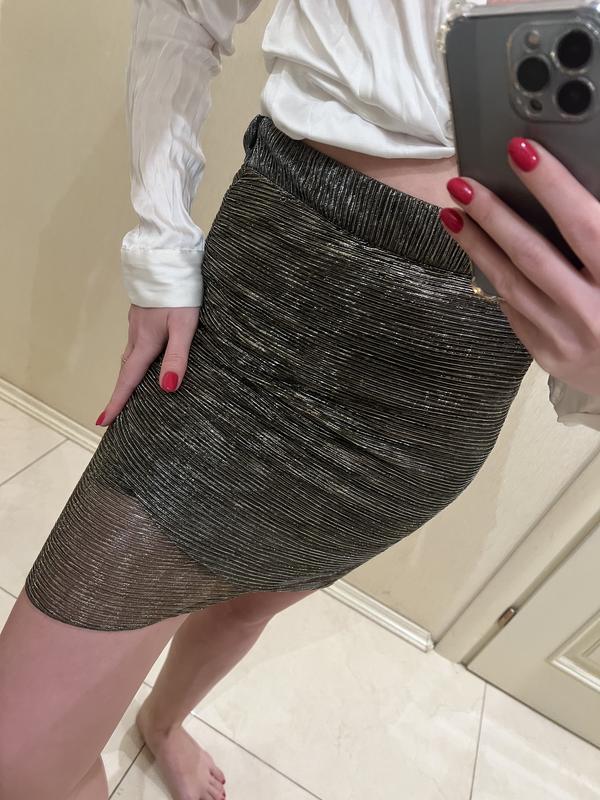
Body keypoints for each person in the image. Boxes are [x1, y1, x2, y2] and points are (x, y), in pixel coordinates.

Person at [2, 1, 600, 798]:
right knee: (17, 765)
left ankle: (165, 721)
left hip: (438, 401)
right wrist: (162, 247)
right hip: (257, 319)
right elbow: (185, 11)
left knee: (249, 604)